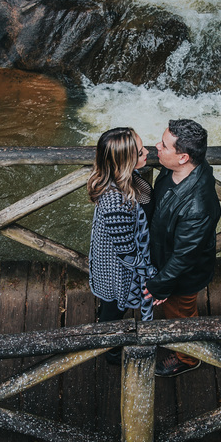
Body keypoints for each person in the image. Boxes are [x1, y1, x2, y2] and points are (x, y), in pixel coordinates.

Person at [144, 118, 221, 377]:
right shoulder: (179, 169)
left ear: (183, 157)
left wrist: (159, 285)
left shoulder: (197, 206)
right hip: (165, 256)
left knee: (181, 316)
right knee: (179, 312)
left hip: (183, 277)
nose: (157, 146)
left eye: (164, 146)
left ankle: (187, 358)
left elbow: (183, 257)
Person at [88, 127, 158, 364]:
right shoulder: (114, 202)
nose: (147, 152)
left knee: (112, 307)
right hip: (117, 271)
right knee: (114, 310)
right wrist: (150, 275)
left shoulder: (128, 177)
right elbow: (126, 254)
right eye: (140, 153)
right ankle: (112, 352)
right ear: (125, 161)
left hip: (125, 261)